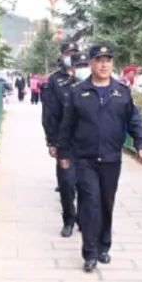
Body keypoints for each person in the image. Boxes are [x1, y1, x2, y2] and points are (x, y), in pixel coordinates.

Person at [55, 42, 142, 272]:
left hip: (111, 158)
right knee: (90, 203)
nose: (104, 65)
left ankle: (103, 246)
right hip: (84, 159)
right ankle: (89, 252)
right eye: (99, 61)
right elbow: (67, 125)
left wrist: (141, 143)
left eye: (107, 61)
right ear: (91, 63)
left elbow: (133, 120)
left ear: (112, 64)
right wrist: (63, 153)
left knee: (106, 203)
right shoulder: (78, 92)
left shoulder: (121, 92)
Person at [41, 41, 81, 237]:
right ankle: (69, 219)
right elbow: (49, 112)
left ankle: (84, 218)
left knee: (86, 183)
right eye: (68, 53)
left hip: (87, 139)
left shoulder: (89, 77)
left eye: (74, 53)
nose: (71, 56)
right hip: (64, 139)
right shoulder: (55, 80)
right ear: (62, 55)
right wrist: (51, 140)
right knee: (66, 183)